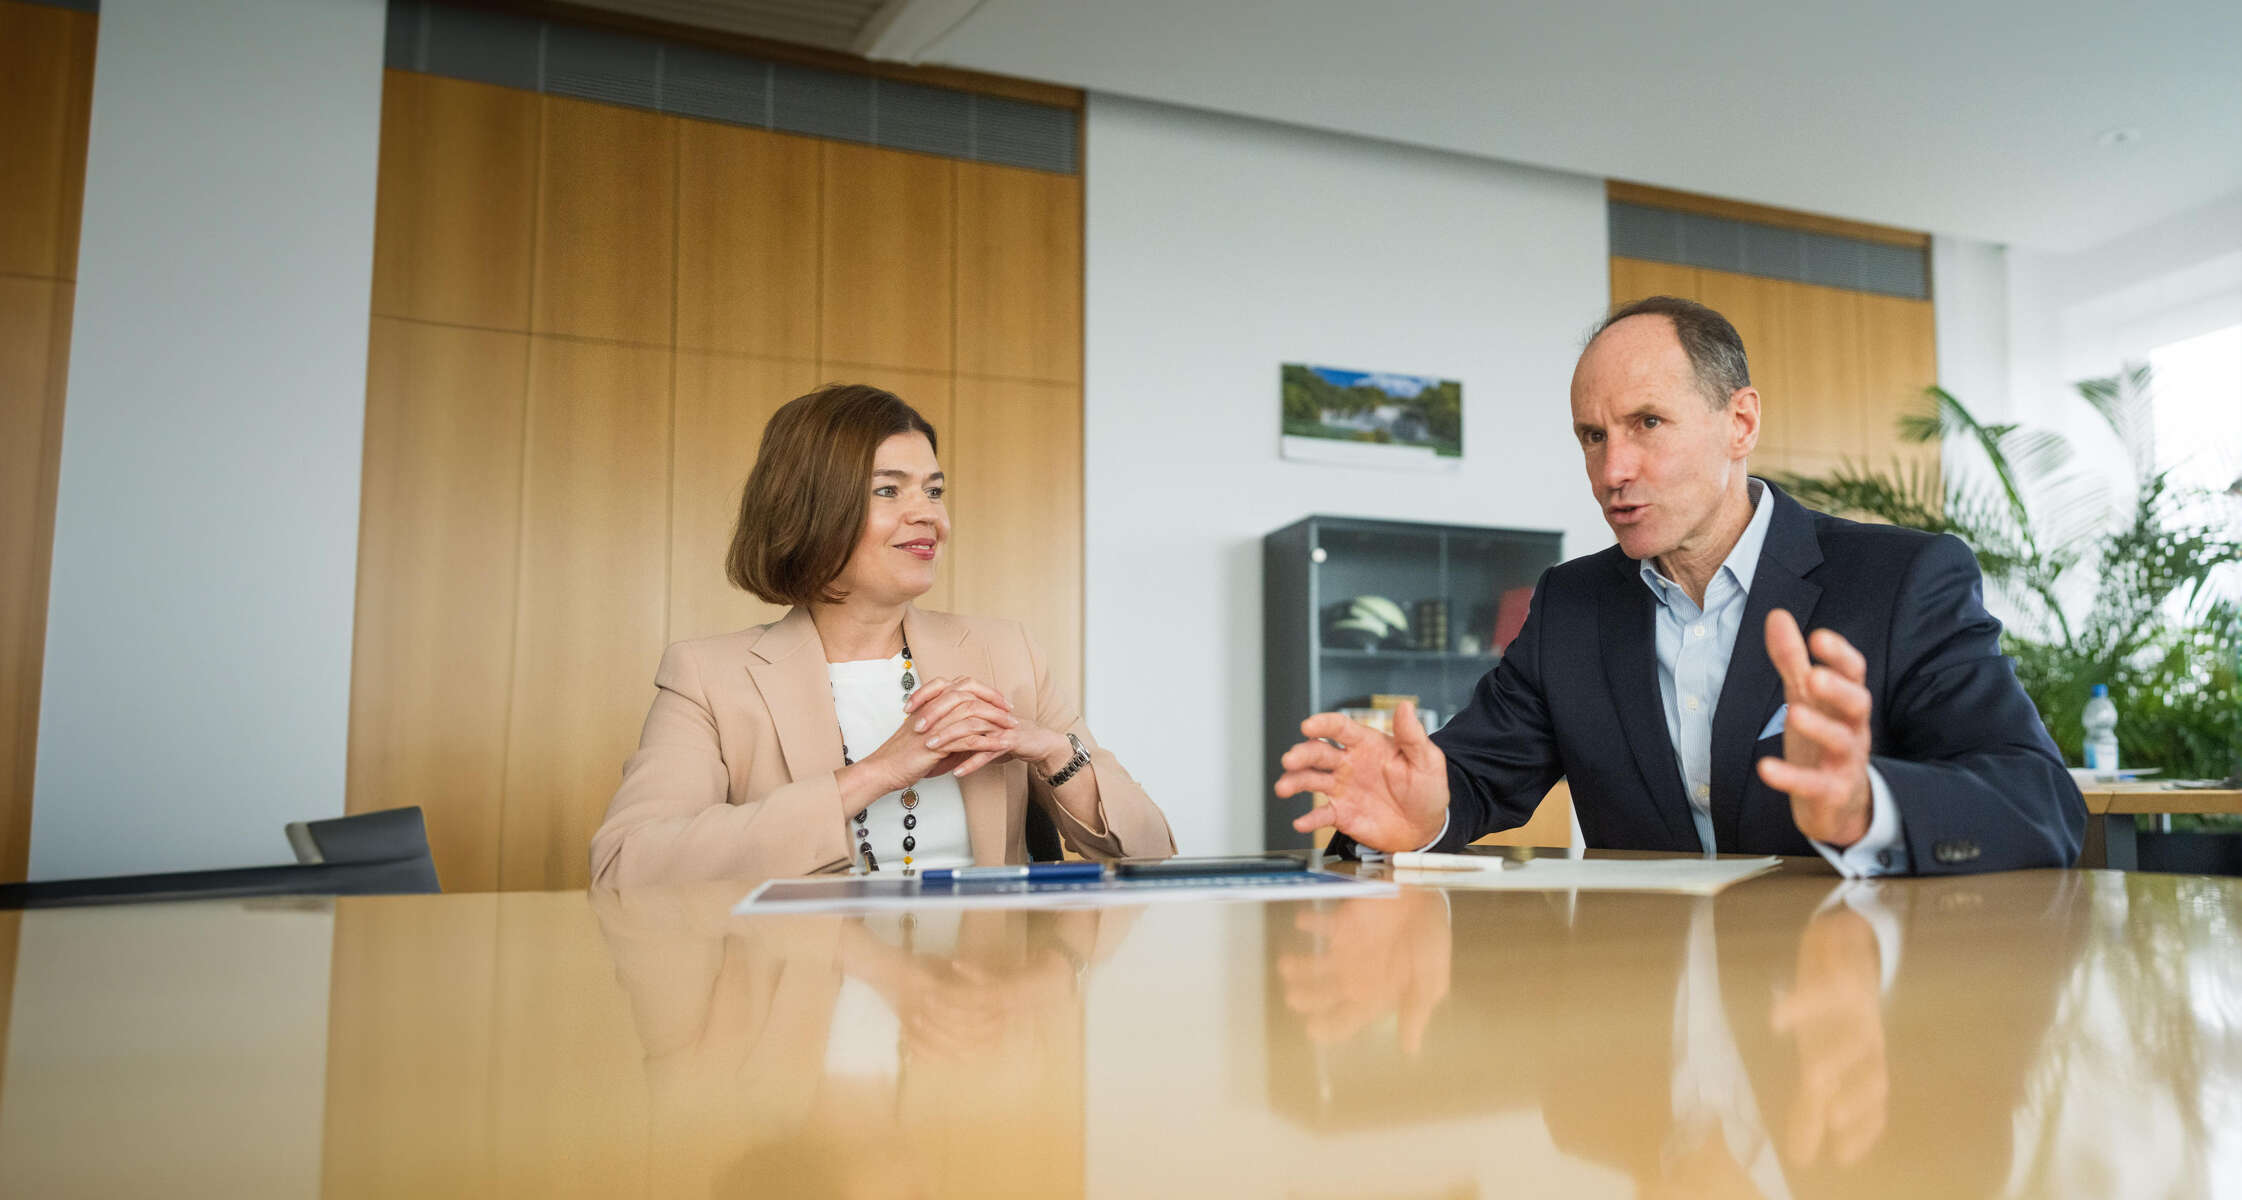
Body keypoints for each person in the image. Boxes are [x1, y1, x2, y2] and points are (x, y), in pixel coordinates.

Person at [1277, 296, 2085, 875]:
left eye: (1646, 425)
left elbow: (2039, 800)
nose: (1612, 470)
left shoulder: (1903, 579)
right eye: (1592, 437)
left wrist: (1866, 805)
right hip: (1634, 1050)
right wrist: (1424, 814)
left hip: (1842, 1034)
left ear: (1740, 423)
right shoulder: (1571, 606)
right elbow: (1472, 778)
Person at [590, 384, 1175, 888]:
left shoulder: (1005, 653)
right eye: (889, 491)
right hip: (802, 1007)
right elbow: (626, 866)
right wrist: (878, 772)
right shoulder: (709, 676)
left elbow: (1150, 853)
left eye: (935, 490)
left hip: (983, 1001)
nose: (929, 516)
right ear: (809, 509)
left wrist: (1052, 752)